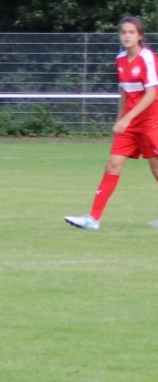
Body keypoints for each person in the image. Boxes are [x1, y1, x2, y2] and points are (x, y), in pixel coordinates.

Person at [67, 15, 158, 230]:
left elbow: (152, 94)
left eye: (131, 32)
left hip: (151, 123)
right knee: (112, 165)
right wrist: (120, 120)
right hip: (129, 125)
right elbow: (125, 93)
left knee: (156, 169)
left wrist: (127, 118)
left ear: (140, 36)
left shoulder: (147, 58)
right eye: (123, 32)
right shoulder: (120, 59)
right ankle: (93, 219)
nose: (127, 36)